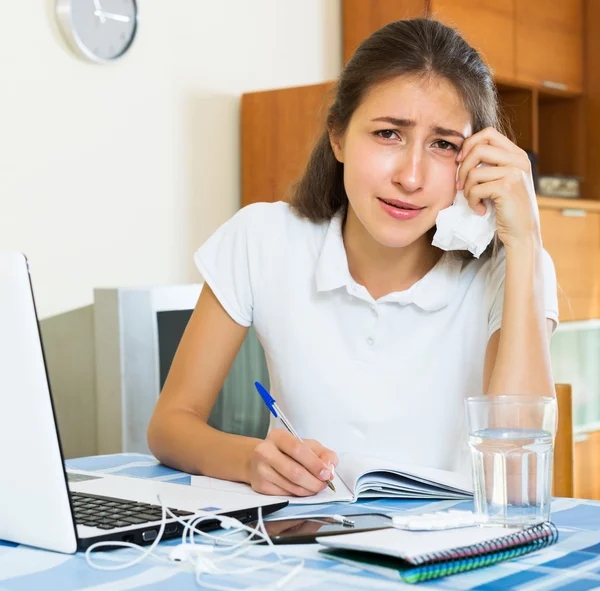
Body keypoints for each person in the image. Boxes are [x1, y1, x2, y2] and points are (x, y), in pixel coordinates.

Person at [147, 18, 558, 498]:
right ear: (338, 136)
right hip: (307, 543)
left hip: (451, 551)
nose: (411, 176)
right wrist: (249, 460)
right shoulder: (262, 237)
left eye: (444, 144)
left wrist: (526, 242)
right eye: (388, 134)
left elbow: (518, 480)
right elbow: (170, 425)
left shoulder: (509, 269)